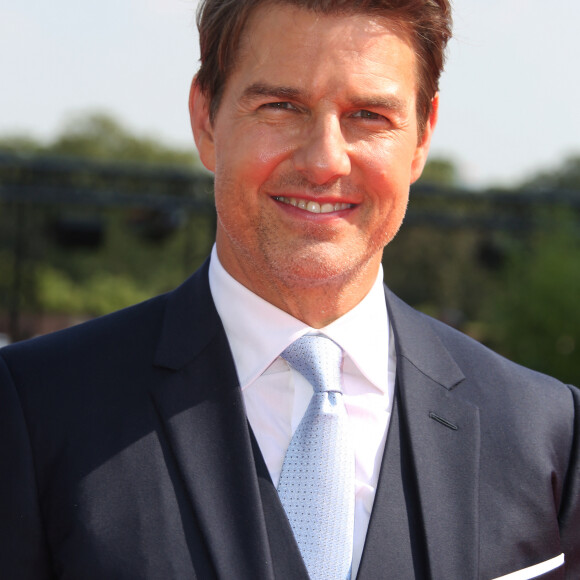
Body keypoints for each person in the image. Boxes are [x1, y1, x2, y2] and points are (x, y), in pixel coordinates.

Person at [1, 0, 578, 578]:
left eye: (369, 115)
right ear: (206, 118)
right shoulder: (32, 410)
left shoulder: (547, 432)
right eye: (282, 106)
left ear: (422, 136)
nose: (325, 161)